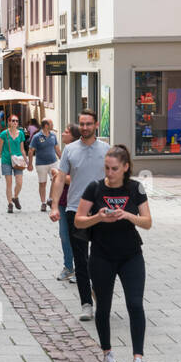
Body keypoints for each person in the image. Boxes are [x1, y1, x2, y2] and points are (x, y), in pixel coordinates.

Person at [75, 144, 153, 362]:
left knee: (135, 304)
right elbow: (78, 221)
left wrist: (128, 215)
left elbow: (148, 221)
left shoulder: (135, 188)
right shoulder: (94, 188)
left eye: (114, 169)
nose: (109, 173)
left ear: (126, 167)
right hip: (101, 255)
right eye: (106, 168)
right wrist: (97, 217)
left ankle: (138, 359)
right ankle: (107, 353)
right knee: (104, 307)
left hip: (131, 255)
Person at [49, 110, 109, 321]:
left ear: (95, 125)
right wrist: (55, 205)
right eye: (82, 124)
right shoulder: (70, 150)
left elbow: (115, 179)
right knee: (81, 260)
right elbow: (59, 179)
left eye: (88, 124)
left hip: (101, 212)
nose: (85, 127)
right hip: (76, 211)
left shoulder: (106, 150)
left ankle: (101, 294)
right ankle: (86, 304)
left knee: (101, 260)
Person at [55, 124, 80, 282]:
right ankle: (68, 267)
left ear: (73, 136)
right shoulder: (66, 151)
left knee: (77, 237)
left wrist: (59, 175)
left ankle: (80, 269)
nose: (63, 133)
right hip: (63, 200)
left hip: (77, 201)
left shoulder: (77, 152)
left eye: (66, 132)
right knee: (64, 235)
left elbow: (77, 178)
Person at [0, 114, 30, 212]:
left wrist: (27, 161)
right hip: (6, 160)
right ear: (9, 122)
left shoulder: (21, 133)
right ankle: (10, 203)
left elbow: (22, 149)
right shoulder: (3, 134)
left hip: (18, 161)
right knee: (9, 183)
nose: (15, 123)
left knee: (19, 182)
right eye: (13, 121)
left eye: (17, 121)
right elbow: (0, 149)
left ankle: (15, 197)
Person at [29, 119, 61, 211]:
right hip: (41, 164)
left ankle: (50, 199)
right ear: (46, 125)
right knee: (42, 183)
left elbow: (57, 149)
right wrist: (30, 164)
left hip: (53, 162)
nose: (53, 125)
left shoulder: (53, 135)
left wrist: (62, 159)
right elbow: (31, 151)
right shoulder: (37, 137)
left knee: (55, 181)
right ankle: (43, 203)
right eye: (51, 124)